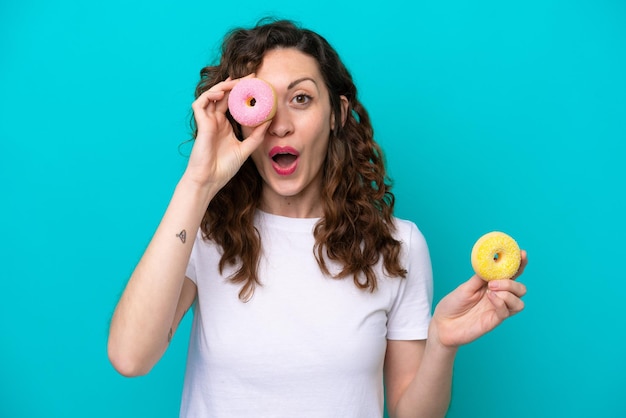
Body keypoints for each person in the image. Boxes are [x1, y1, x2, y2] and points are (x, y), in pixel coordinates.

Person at [107, 18, 528, 418]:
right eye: (262, 102)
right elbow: (130, 357)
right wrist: (198, 183)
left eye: (301, 98)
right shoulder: (203, 233)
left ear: (336, 114)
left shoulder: (399, 245)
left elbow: (410, 412)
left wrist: (440, 343)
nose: (280, 126)